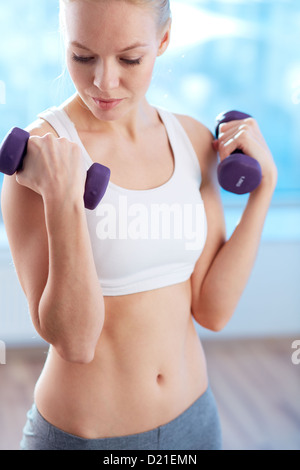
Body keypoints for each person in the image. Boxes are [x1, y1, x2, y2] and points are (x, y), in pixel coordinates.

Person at [1, 0, 277, 451]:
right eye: (82, 56)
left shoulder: (190, 141)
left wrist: (264, 191)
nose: (103, 81)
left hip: (196, 424)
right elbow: (76, 342)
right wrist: (62, 198)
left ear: (163, 40)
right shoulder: (42, 159)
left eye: (130, 58)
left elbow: (213, 310)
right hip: (85, 437)